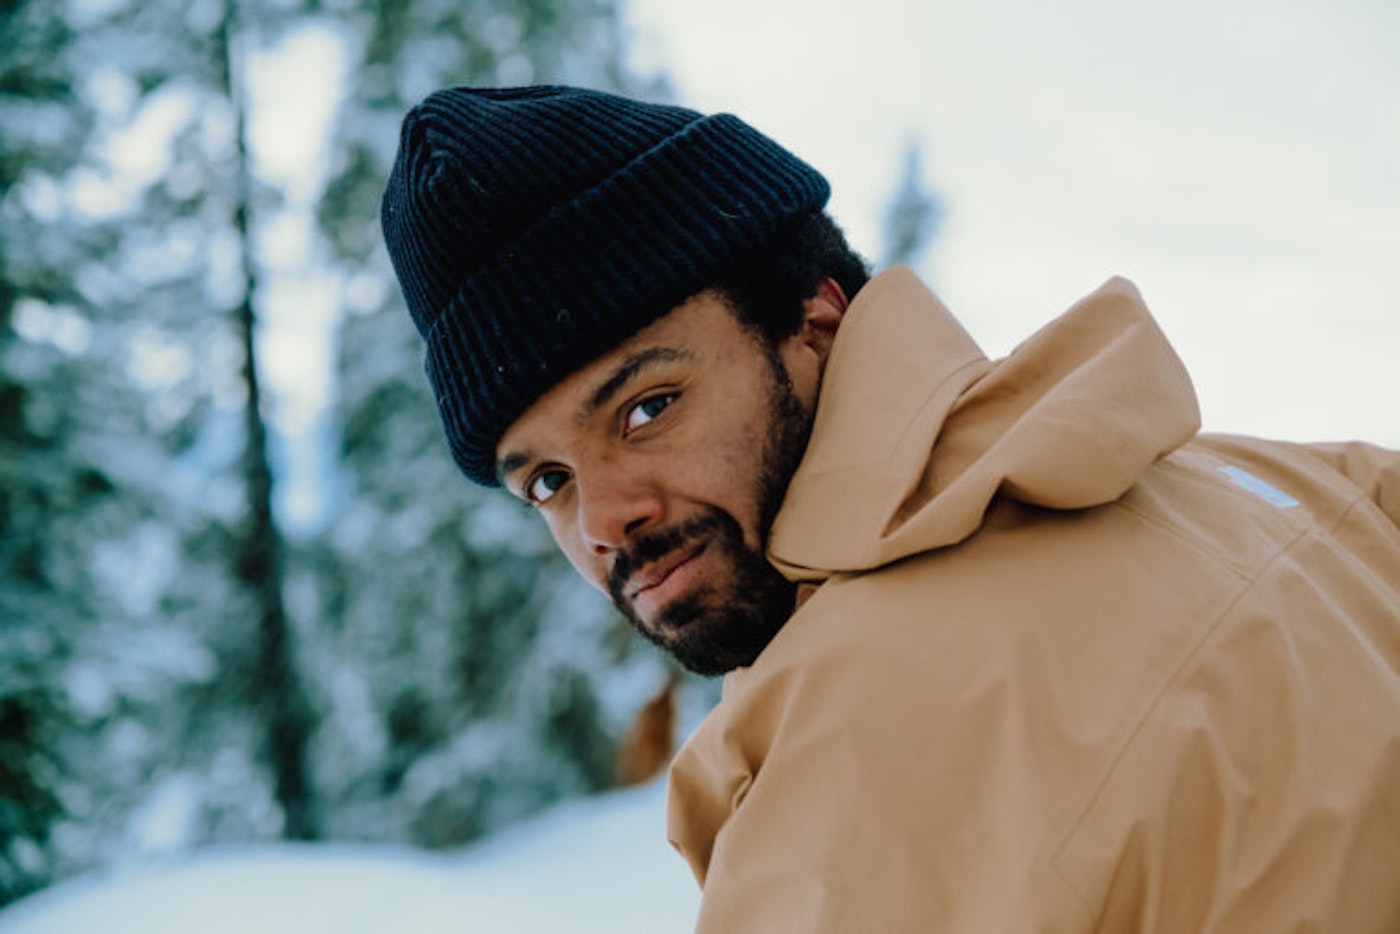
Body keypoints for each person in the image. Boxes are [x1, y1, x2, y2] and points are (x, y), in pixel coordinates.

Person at [380, 86, 1400, 931]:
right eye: (547, 481)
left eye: (647, 408)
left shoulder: (852, 758)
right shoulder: (1303, 488)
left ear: (815, 321)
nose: (604, 518)